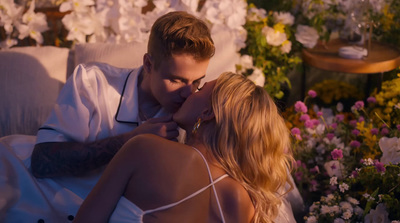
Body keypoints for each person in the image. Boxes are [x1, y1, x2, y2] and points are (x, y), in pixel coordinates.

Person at [73, 72, 294, 223]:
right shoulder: (240, 199)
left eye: (199, 89)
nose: (189, 93)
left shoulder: (144, 149)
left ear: (208, 113)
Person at [30, 11, 215, 178]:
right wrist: (131, 140)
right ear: (149, 65)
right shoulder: (93, 81)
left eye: (197, 81)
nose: (188, 94)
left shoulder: (193, 111)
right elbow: (42, 161)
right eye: (176, 80)